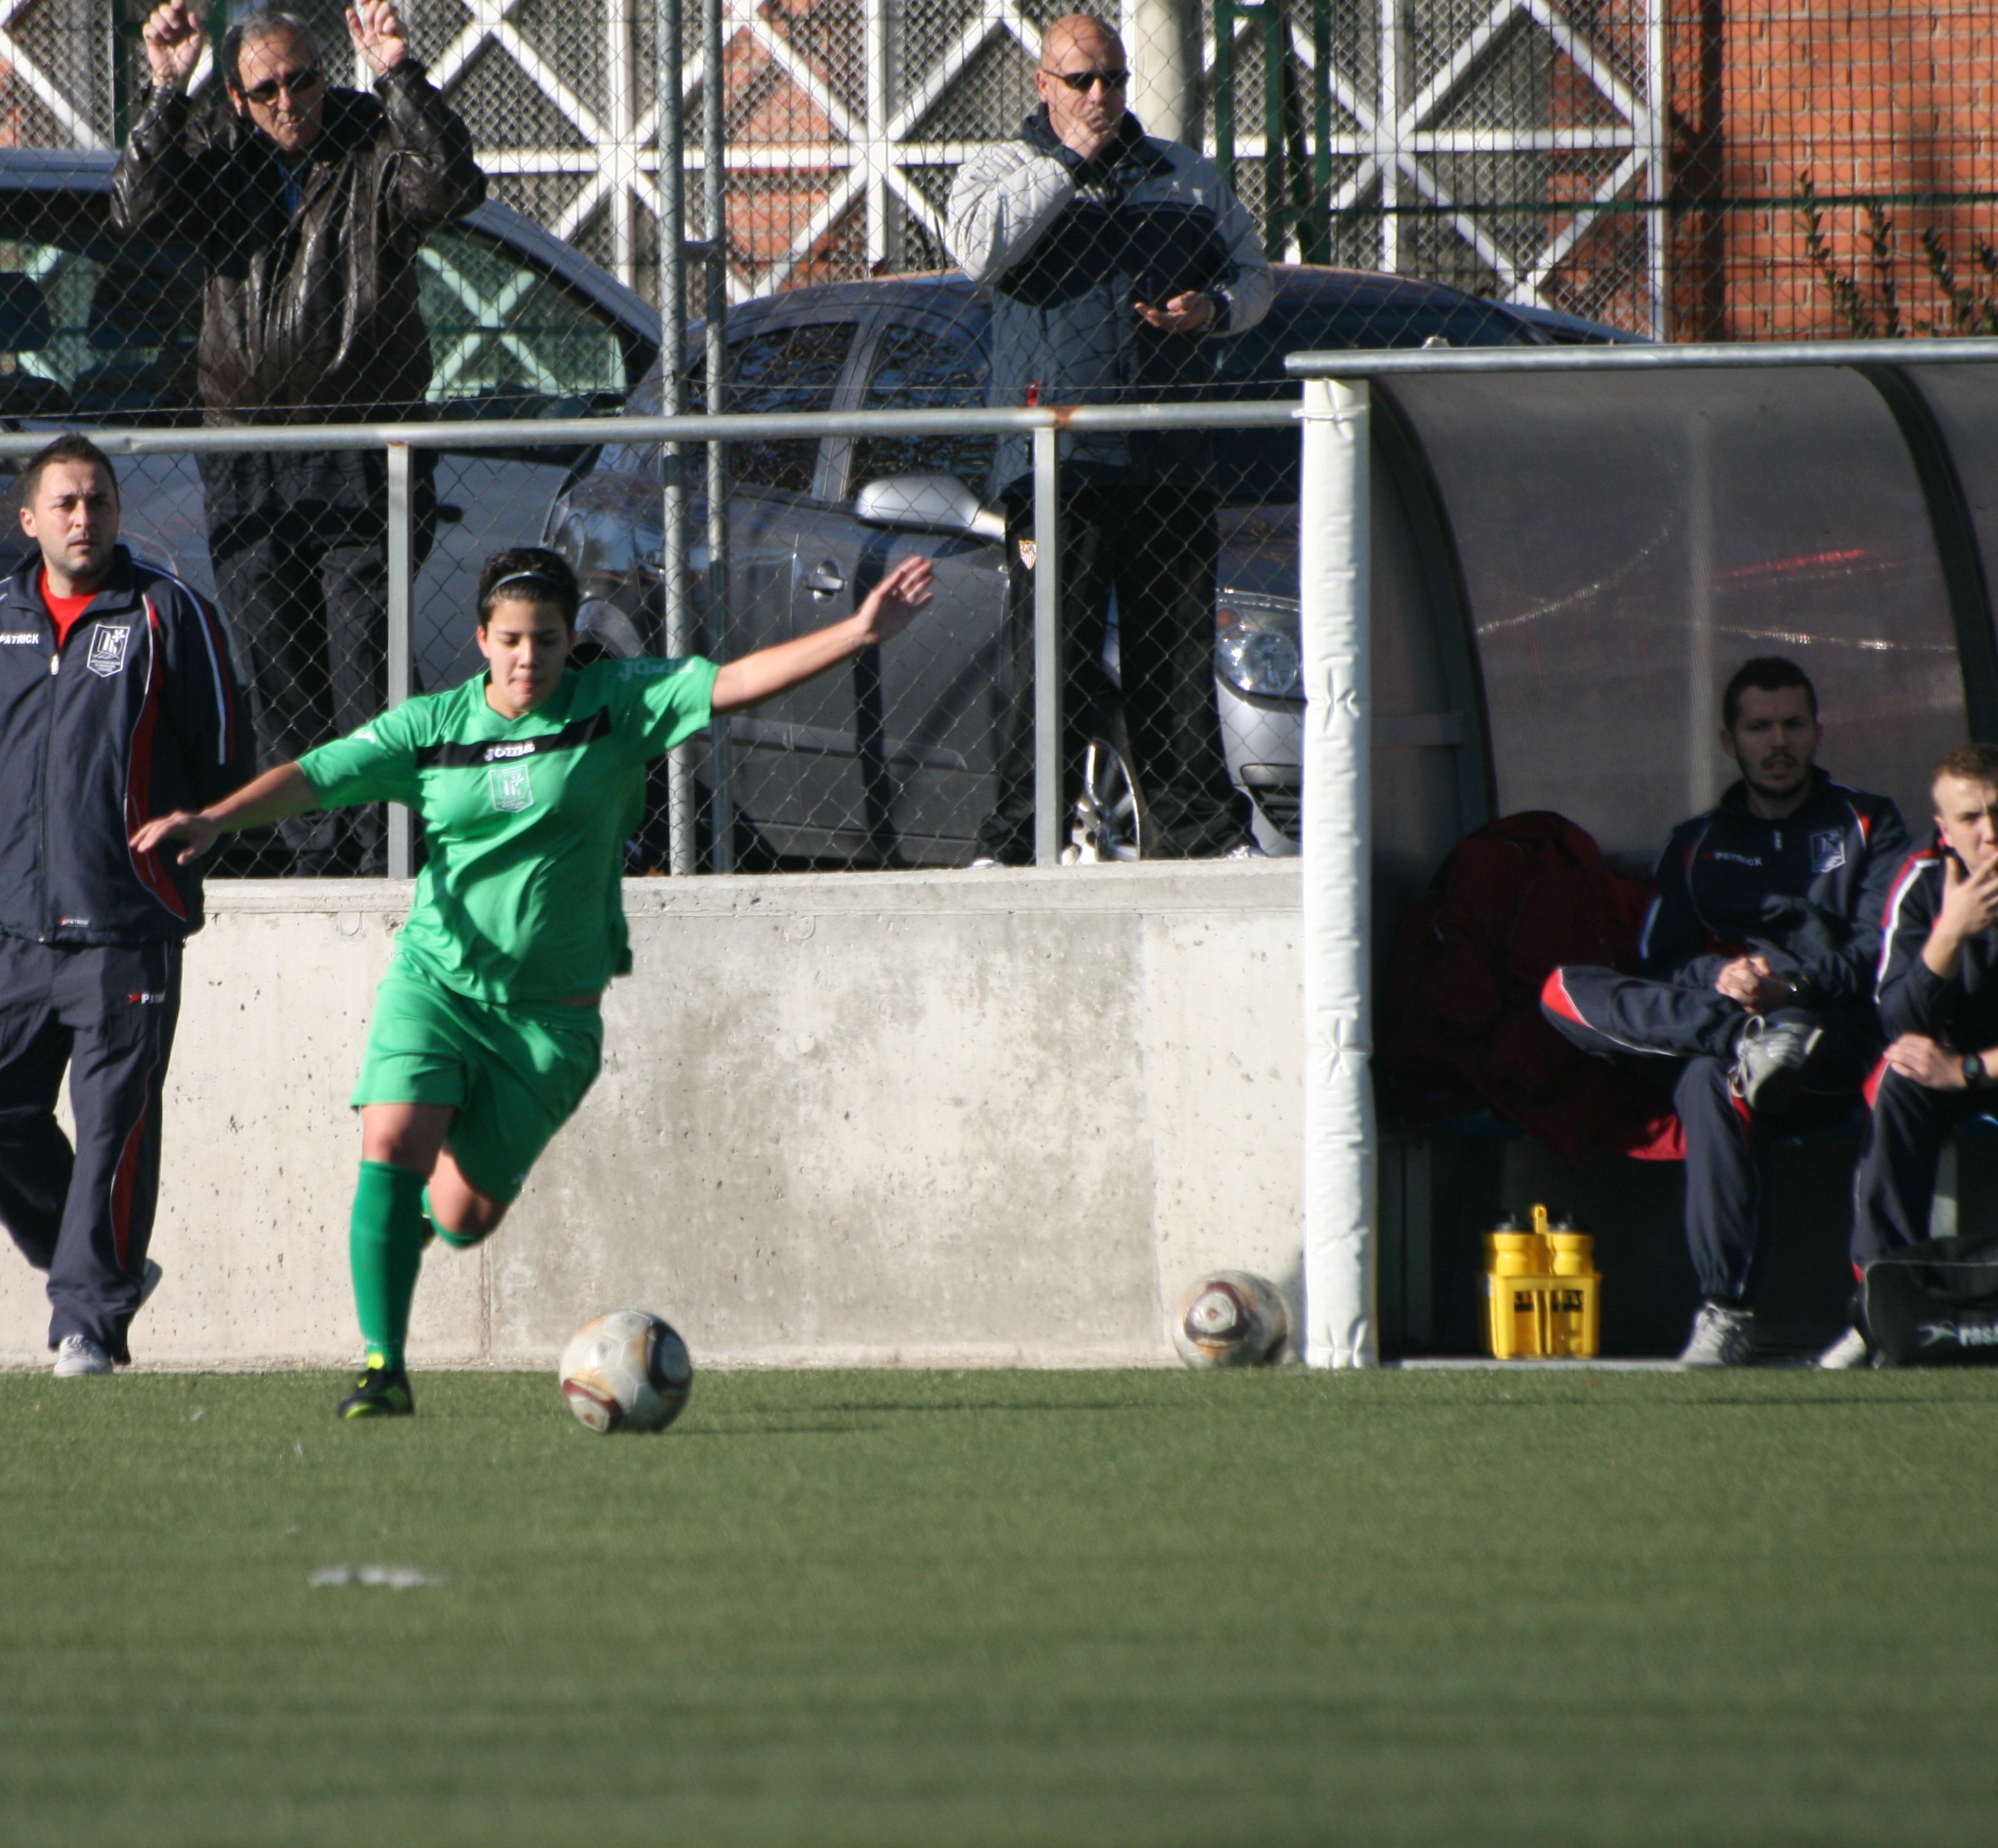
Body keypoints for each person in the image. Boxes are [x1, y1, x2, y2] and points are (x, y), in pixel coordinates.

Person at [135, 545, 938, 1417]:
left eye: (547, 641)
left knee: (464, 1217)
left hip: (550, 1022)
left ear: (569, 639)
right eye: (512, 640)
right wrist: (213, 819)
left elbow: (733, 684)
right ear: (482, 638)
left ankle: (403, 1236)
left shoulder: (616, 703)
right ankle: (383, 1367)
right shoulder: (432, 727)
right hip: (437, 982)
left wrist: (859, 632)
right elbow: (318, 775)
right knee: (391, 1140)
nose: (529, 658)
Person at [112, 1, 484, 876]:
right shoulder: (218, 150)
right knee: (277, 666)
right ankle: (320, 859)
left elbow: (451, 188)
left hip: (362, 447)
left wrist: (398, 73)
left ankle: (388, 856)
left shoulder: (372, 141)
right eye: (267, 89)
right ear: (237, 98)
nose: (289, 102)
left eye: (304, 79)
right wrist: (166, 88)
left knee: (365, 662)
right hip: (247, 454)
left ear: (326, 73)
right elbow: (137, 209)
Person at [0, 435, 253, 1377]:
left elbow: (227, 752)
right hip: (12, 926)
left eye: (100, 502)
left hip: (126, 922)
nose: (85, 519)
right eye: (66, 504)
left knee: (114, 1129)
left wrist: (198, 824)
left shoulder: (167, 612)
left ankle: (89, 1322)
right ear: (29, 519)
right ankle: (98, 1267)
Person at [940, 13, 1272, 863]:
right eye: (1082, 80)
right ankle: (1021, 842)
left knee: (1176, 656)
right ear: (1043, 85)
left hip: (1165, 458)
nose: (1101, 96)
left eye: (1115, 80)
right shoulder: (1004, 170)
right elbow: (978, 250)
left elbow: (1254, 273)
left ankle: (1204, 837)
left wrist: (1213, 309)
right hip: (1061, 466)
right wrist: (1069, 163)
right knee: (1054, 657)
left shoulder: (1182, 176)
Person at [1538, 657, 1910, 1367]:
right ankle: (1743, 1038)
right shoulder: (1698, 842)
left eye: (1793, 725)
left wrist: (1792, 988)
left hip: (1830, 1037)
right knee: (1564, 991)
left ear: (1818, 731)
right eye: (1760, 727)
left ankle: (1726, 1309)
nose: (1779, 742)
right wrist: (1723, 979)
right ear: (1728, 741)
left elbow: (1884, 948)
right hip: (1731, 1024)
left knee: (1708, 1079)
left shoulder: (1868, 822)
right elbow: (1663, 962)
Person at [1841, 744, 1998, 1368]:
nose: (1991, 832)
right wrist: (1951, 933)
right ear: (1944, 829)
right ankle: (1883, 1305)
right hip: (1952, 1065)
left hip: (1980, 1067)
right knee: (1898, 1078)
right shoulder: (1923, 878)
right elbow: (1898, 1021)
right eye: (1970, 818)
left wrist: (1968, 1071)